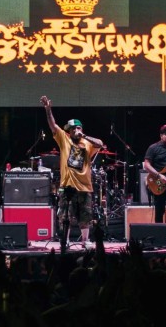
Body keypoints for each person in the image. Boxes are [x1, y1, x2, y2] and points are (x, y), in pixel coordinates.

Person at [40, 95, 103, 247]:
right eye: (73, 129)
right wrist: (48, 110)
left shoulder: (87, 143)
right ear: (69, 131)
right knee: (65, 216)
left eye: (78, 128)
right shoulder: (64, 139)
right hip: (67, 186)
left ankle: (85, 241)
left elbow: (100, 144)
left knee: (85, 216)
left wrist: (84, 136)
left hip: (85, 186)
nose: (76, 130)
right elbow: (53, 126)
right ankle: (65, 241)